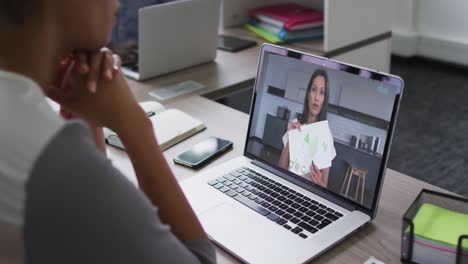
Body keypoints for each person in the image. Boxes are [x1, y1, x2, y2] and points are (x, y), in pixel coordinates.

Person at [0, 1, 215, 263]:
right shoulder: (47, 157)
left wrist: (82, 112)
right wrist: (134, 125)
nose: (118, 2)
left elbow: (91, 228)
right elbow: (198, 258)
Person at [278, 69, 330, 188]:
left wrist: (317, 181)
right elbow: (281, 168)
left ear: (324, 99)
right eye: (313, 90)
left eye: (322, 92)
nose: (316, 97)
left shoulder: (325, 135)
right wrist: (291, 137)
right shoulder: (295, 125)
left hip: (308, 195)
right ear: (308, 94)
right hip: (286, 188)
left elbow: (324, 185)